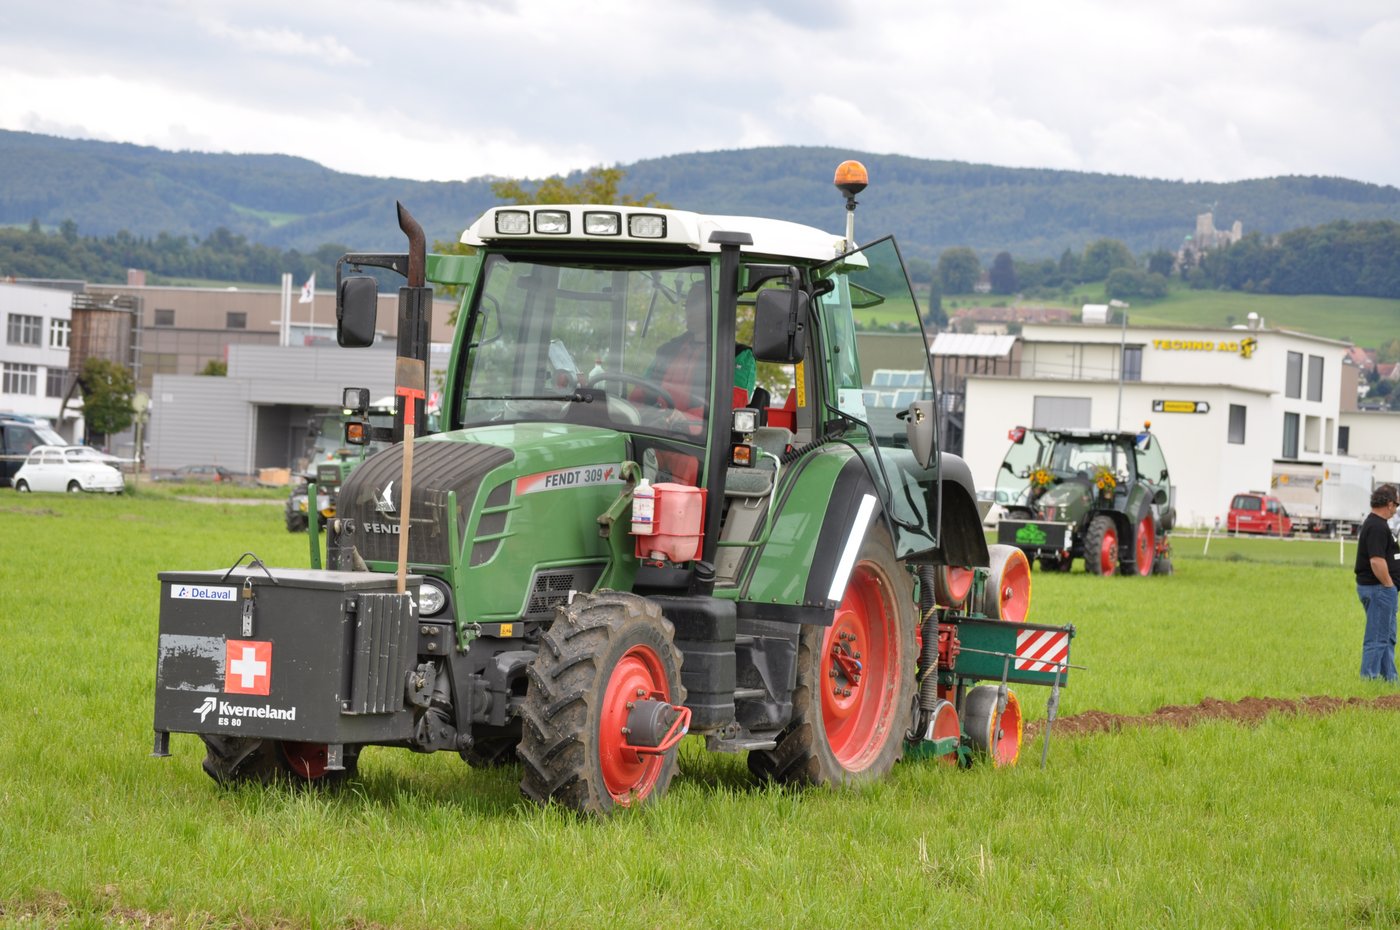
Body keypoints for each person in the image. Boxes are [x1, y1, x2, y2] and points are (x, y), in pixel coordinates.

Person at [1354, 483, 1400, 682]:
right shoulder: (1376, 526)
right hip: (1379, 588)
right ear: (1389, 504)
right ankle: (1369, 679)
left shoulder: (1378, 525)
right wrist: (1389, 585)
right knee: (1377, 638)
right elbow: (1376, 560)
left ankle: (1390, 679)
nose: (1397, 509)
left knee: (1387, 637)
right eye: (1396, 504)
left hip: (1382, 589)